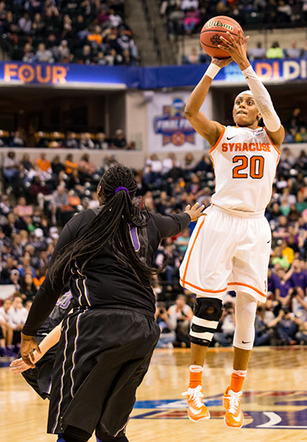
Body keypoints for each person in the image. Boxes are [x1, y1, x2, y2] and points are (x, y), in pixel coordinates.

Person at [18, 165, 204, 442]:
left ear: (99, 193)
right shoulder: (148, 222)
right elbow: (173, 222)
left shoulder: (82, 221)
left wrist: (28, 333)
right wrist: (189, 216)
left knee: (73, 428)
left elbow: (52, 283)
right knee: (111, 430)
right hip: (142, 331)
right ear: (133, 196)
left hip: (93, 326)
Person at [177, 31, 284, 428]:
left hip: (255, 227)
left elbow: (270, 110)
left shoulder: (273, 138)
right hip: (221, 220)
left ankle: (235, 391)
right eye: (237, 100)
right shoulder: (221, 134)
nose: (242, 104)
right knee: (209, 304)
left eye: (248, 102)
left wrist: (246, 68)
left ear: (257, 111)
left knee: (247, 313)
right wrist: (214, 67)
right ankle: (194, 386)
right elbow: (190, 112)